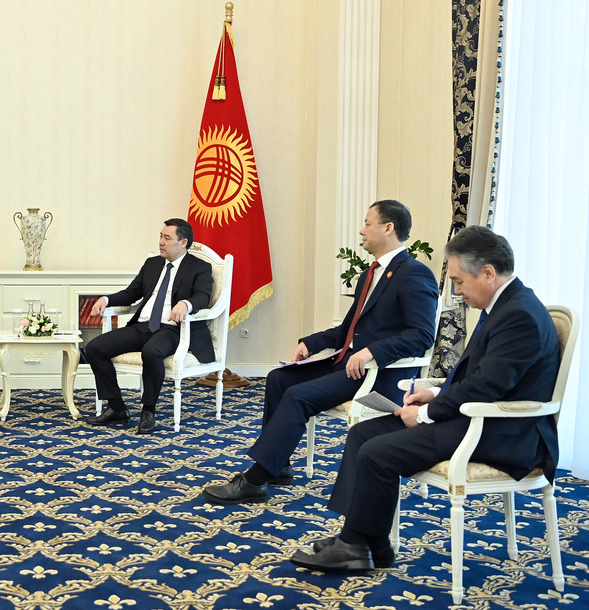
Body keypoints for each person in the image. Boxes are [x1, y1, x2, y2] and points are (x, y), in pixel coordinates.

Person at [290, 226, 561, 572]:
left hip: (504, 433)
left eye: (459, 281)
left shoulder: (518, 315)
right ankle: (367, 542)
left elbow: (485, 388)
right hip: (479, 418)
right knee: (363, 433)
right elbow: (481, 377)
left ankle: (356, 545)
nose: (457, 291)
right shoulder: (505, 305)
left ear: (488, 273)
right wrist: (433, 393)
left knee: (377, 452)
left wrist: (425, 413)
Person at [203, 200, 439, 504]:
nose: (361, 230)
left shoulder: (414, 274)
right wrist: (311, 343)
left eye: (367, 223)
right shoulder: (370, 274)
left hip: (378, 375)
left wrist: (371, 352)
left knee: (298, 395)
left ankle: (256, 479)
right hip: (347, 365)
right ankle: (279, 466)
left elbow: (421, 335)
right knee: (279, 379)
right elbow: (349, 329)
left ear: (388, 228)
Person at [83, 218, 214, 434]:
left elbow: (203, 297)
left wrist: (185, 304)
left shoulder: (200, 267)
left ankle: (148, 411)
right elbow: (131, 293)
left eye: (167, 238)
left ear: (183, 242)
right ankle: (116, 407)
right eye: (160, 236)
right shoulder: (153, 264)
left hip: (172, 328)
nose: (161, 242)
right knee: (95, 348)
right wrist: (106, 299)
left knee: (152, 352)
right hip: (143, 326)